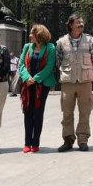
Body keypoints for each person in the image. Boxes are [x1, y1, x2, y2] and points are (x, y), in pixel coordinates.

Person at [56, 14, 93, 152]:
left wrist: (85, 71)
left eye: (82, 21)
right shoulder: (61, 42)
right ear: (70, 25)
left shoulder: (90, 40)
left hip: (85, 82)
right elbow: (58, 62)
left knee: (85, 112)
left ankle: (83, 140)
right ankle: (68, 140)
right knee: (67, 112)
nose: (81, 23)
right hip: (68, 82)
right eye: (78, 22)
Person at [18, 24, 57, 153]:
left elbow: (50, 66)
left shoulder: (50, 48)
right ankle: (27, 142)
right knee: (27, 112)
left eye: (32, 33)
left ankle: (36, 142)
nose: (29, 36)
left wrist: (35, 79)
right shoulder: (27, 47)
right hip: (27, 84)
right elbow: (21, 64)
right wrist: (27, 78)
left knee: (38, 112)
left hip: (42, 84)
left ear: (39, 35)